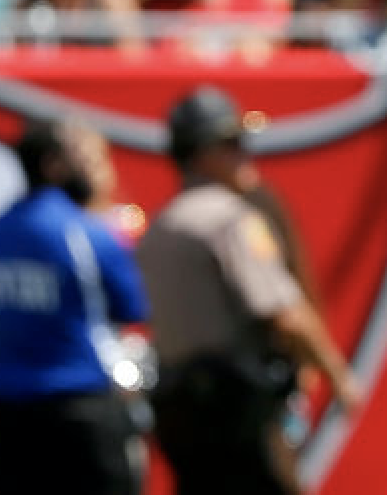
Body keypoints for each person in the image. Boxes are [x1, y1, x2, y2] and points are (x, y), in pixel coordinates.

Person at [136, 86, 361, 495]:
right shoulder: (230, 219)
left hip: (177, 413)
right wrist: (339, 378)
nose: (244, 154)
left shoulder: (159, 227)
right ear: (200, 153)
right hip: (237, 413)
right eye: (230, 144)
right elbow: (285, 313)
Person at [0, 117, 146, 495]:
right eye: (78, 158)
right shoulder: (83, 231)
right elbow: (132, 306)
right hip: (80, 407)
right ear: (53, 165)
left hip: (9, 416)